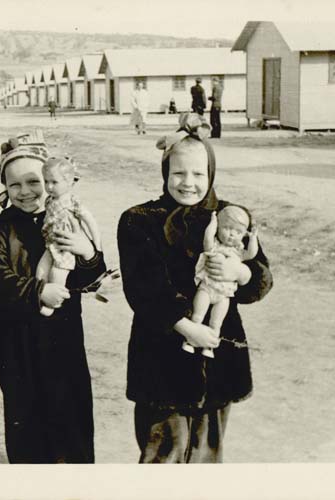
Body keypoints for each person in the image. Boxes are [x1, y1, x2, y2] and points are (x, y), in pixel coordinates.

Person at [117, 114, 273, 463]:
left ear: (212, 175)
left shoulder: (230, 217)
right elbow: (144, 289)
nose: (188, 183)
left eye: (199, 174)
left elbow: (261, 278)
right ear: (165, 173)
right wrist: (188, 328)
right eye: (178, 173)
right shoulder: (140, 220)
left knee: (206, 454)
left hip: (219, 361)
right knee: (164, 453)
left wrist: (242, 272)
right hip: (161, 358)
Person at [0, 130, 107, 463]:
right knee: (26, 422)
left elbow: (90, 278)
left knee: (70, 418)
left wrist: (88, 253)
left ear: (52, 182)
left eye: (34, 182)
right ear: (4, 188)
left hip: (62, 338)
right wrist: (38, 291)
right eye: (14, 185)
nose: (25, 192)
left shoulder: (67, 222)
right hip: (16, 341)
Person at [182, 206, 260, 358]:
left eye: (238, 232)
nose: (231, 234)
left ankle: (209, 348)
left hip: (224, 295)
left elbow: (251, 254)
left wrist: (253, 238)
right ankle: (190, 342)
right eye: (227, 228)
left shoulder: (239, 252)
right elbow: (208, 238)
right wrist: (213, 222)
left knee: (216, 322)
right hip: (206, 288)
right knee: (197, 316)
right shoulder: (214, 246)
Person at [37, 157, 101, 316]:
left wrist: (97, 246)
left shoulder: (73, 202)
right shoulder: (49, 200)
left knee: (57, 274)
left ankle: (53, 305)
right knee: (40, 271)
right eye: (46, 181)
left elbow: (90, 220)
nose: (49, 187)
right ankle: (40, 298)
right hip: (51, 243)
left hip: (66, 246)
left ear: (69, 182)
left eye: (54, 182)